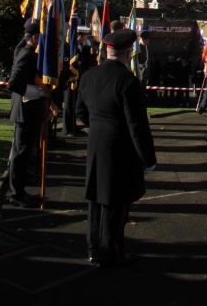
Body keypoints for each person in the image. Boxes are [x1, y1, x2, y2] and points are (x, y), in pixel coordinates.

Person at [76, 28, 156, 268]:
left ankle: (93, 249)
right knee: (116, 204)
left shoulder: (88, 76)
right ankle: (111, 253)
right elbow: (137, 126)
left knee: (96, 201)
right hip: (120, 151)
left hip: (95, 146)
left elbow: (81, 112)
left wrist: (99, 128)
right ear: (128, 52)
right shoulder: (128, 81)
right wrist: (148, 159)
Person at [7, 21, 50, 207]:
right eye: (40, 36)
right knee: (20, 153)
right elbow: (13, 84)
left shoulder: (25, 51)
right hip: (25, 110)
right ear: (34, 38)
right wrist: (36, 92)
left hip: (28, 111)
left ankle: (20, 190)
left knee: (23, 152)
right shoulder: (27, 55)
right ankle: (15, 193)